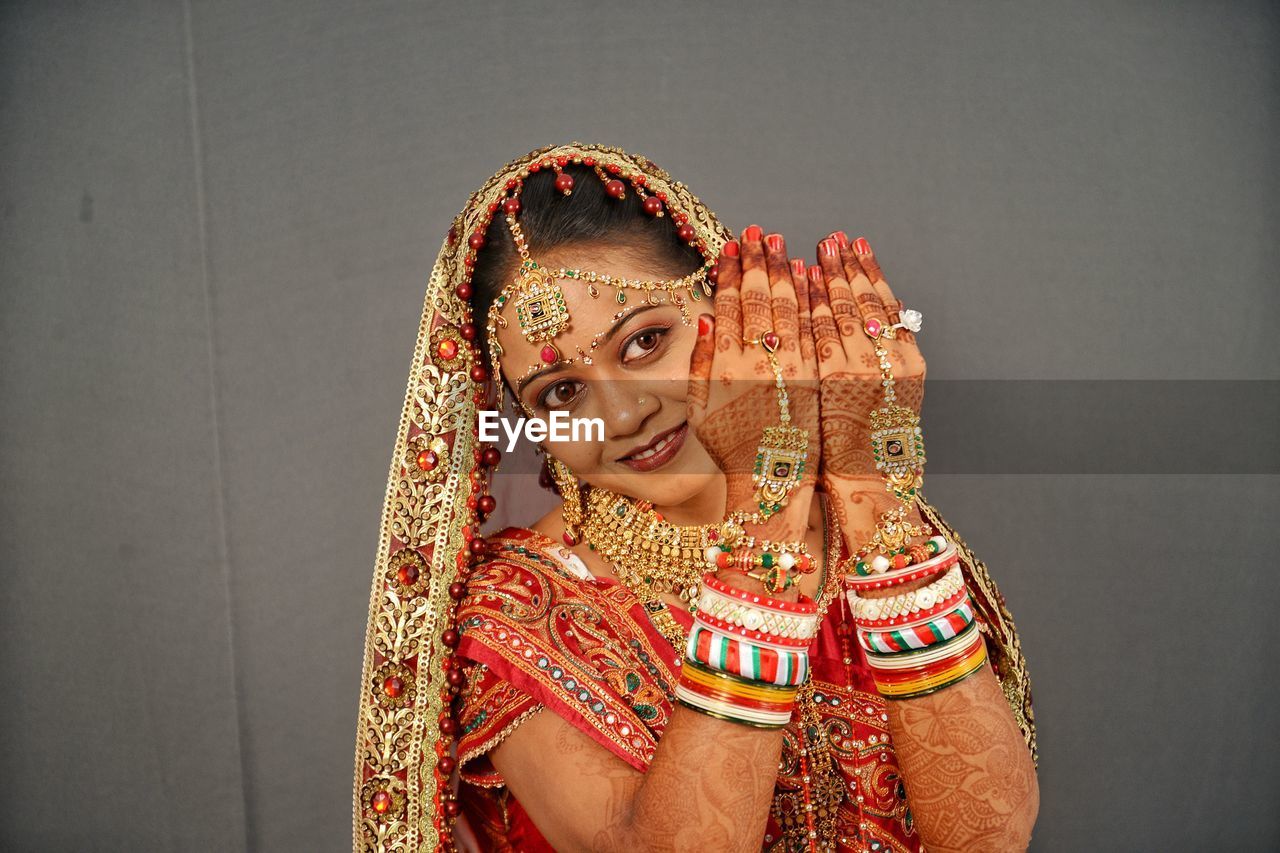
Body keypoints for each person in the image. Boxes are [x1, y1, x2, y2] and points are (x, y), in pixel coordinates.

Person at [353, 142, 1039, 853]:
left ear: (732, 302)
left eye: (646, 341)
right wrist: (766, 516)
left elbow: (989, 838)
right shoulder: (520, 616)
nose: (622, 416)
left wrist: (872, 494)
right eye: (560, 392)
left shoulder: (872, 537)